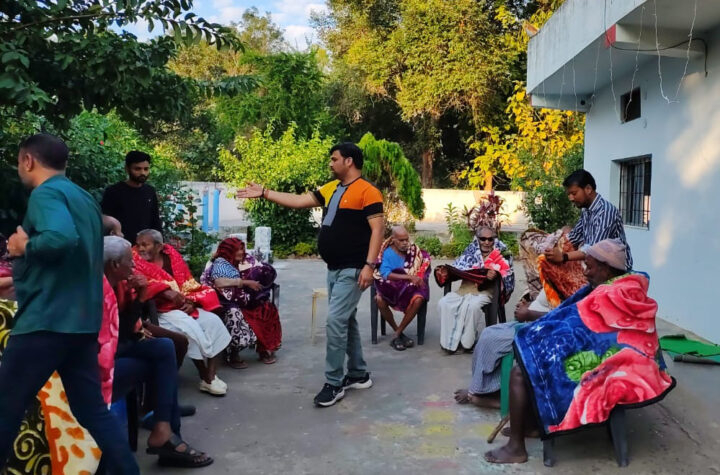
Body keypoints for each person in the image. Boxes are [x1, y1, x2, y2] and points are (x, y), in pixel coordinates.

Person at [0, 134, 139, 473]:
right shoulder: (84, 198)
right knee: (91, 410)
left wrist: (23, 247)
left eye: (19, 162)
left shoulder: (45, 194)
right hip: (82, 324)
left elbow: (61, 238)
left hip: (45, 321)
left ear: (28, 161)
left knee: (5, 408)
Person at [485, 239, 673, 464]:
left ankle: (516, 448)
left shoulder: (610, 295)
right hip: (626, 364)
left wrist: (534, 331)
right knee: (534, 361)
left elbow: (575, 326)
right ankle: (534, 426)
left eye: (590, 267)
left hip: (616, 369)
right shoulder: (629, 286)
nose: (585, 272)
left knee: (521, 371)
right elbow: (576, 322)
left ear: (606, 268)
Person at [236, 142, 384, 408]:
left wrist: (369, 266)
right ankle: (359, 374)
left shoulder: (368, 191)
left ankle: (334, 382)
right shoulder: (331, 188)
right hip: (334, 268)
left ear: (349, 161)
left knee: (335, 322)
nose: (330, 163)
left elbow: (378, 230)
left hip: (353, 268)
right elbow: (299, 201)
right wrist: (265, 193)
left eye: (334, 159)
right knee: (346, 320)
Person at [103, 236, 212, 468]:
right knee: (161, 361)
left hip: (118, 347)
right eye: (129, 260)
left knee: (165, 347)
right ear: (114, 264)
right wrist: (140, 309)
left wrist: (140, 297)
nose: (134, 264)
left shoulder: (119, 283)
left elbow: (124, 330)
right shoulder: (98, 290)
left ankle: (163, 427)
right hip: (100, 366)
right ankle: (167, 435)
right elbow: (114, 339)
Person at [133, 229, 231, 396]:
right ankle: (205, 376)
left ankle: (211, 375)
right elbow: (139, 283)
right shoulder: (134, 260)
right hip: (158, 313)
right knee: (188, 332)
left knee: (213, 322)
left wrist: (191, 302)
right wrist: (164, 290)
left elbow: (188, 283)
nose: (140, 249)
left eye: (145, 245)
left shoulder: (172, 256)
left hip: (183, 307)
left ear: (159, 246)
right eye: (138, 245)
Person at [453, 297, 548, 410]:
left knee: (491, 340)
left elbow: (562, 315)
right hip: (532, 323)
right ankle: (483, 389)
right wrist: (528, 305)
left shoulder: (566, 289)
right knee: (488, 332)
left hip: (542, 331)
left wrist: (530, 314)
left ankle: (483, 395)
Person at [201, 237, 282, 367]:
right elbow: (219, 282)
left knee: (266, 309)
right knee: (235, 313)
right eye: (237, 249)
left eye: (242, 249)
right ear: (228, 251)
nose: (241, 252)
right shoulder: (220, 263)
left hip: (247, 299)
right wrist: (245, 282)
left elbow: (260, 270)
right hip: (228, 302)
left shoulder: (246, 259)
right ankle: (233, 354)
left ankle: (264, 348)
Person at [436, 225, 514, 353]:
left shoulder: (501, 254)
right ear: (477, 239)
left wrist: (495, 274)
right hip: (464, 290)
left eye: (490, 239)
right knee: (443, 303)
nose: (487, 242)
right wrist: (446, 272)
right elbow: (458, 268)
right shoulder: (470, 253)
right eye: (483, 239)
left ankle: (467, 344)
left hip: (485, 292)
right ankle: (449, 342)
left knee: (472, 306)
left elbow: (508, 277)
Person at [544, 169, 632, 271]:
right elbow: (575, 236)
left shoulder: (606, 211)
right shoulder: (586, 210)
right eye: (569, 194)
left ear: (588, 189)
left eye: (574, 193)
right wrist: (552, 242)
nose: (571, 198)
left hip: (615, 270)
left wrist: (564, 256)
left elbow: (595, 250)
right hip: (598, 267)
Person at [373, 225, 430, 351]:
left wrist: (417, 277)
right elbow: (386, 274)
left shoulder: (413, 251)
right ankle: (398, 332)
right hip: (391, 287)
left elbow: (422, 266)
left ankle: (397, 334)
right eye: (401, 240)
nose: (405, 243)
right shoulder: (387, 253)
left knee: (419, 299)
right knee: (379, 299)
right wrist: (409, 277)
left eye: (406, 239)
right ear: (393, 239)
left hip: (409, 288)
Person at [101, 150, 163, 246]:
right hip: (121, 246)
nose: (143, 173)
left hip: (145, 247)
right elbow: (106, 221)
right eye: (137, 169)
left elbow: (155, 220)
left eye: (146, 169)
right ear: (127, 169)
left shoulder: (150, 191)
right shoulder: (114, 191)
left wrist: (159, 244)